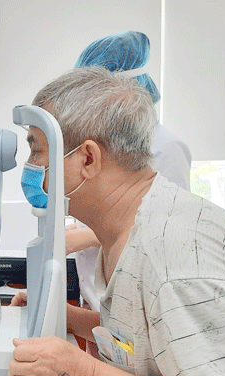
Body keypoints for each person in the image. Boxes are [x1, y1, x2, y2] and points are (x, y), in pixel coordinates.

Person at [9, 67, 225, 376]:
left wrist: (85, 374)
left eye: (37, 150)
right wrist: (71, 319)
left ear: (87, 158)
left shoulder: (179, 260)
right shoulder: (128, 229)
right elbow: (148, 343)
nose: (30, 166)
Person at [72, 30, 192, 313]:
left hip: (137, 307)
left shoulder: (165, 147)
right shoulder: (106, 147)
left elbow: (168, 227)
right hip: (104, 308)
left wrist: (87, 236)